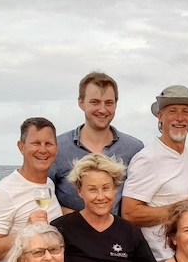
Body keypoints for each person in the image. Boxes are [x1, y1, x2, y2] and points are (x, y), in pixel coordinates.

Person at [52, 153, 156, 262]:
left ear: (115, 189)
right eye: (92, 189)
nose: (101, 197)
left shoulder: (130, 231)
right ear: (80, 192)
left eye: (106, 188)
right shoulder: (60, 229)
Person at [121, 85, 188, 261]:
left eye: (186, 112)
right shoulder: (148, 158)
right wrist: (183, 208)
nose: (180, 118)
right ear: (160, 116)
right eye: (172, 111)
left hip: (187, 260)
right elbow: (129, 213)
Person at [51, 71, 145, 215]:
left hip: (117, 236)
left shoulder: (134, 149)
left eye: (108, 103)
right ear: (81, 103)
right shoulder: (57, 147)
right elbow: (44, 196)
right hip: (67, 235)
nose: (102, 110)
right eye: (95, 102)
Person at [0, 117, 65, 262]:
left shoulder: (49, 185)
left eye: (48, 144)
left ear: (56, 148)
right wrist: (26, 232)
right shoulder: (4, 192)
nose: (43, 150)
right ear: (21, 147)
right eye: (36, 143)